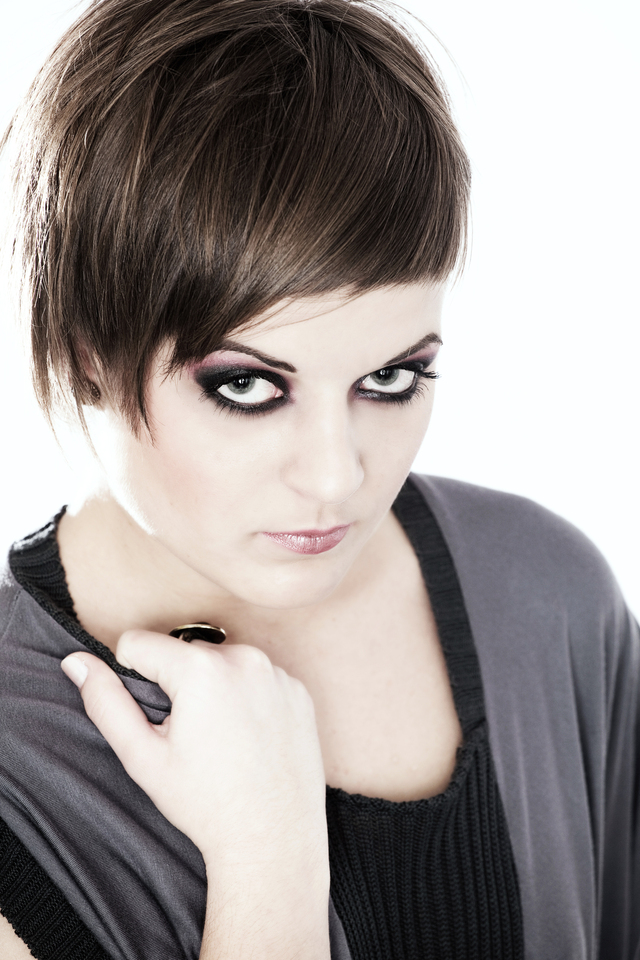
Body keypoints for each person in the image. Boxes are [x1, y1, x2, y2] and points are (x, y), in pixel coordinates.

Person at [0, 0, 637, 958]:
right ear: (85, 354)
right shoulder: (17, 761)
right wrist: (269, 864)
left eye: (392, 379)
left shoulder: (544, 592)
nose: (338, 475)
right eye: (248, 386)